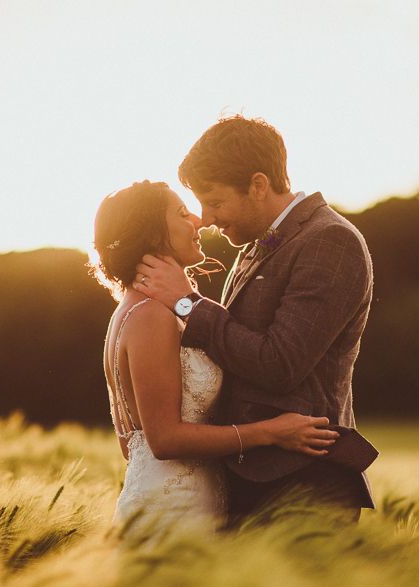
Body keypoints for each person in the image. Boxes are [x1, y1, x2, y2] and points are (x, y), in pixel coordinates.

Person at [133, 116, 376, 527]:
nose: (205, 218)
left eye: (214, 200)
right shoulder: (256, 245)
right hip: (248, 477)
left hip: (304, 482)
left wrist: (188, 304)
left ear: (258, 185)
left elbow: (280, 363)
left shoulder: (331, 241)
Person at [92, 180, 340, 537]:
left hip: (179, 501)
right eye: (181, 212)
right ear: (151, 236)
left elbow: (133, 445)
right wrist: (271, 432)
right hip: (174, 514)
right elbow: (162, 440)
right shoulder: (151, 316)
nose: (197, 219)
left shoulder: (135, 310)